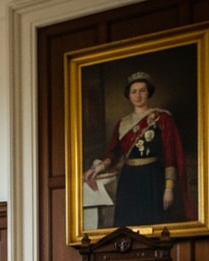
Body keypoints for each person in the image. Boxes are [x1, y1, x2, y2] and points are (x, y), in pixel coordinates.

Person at [83, 71, 194, 227]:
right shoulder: (122, 123)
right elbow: (113, 153)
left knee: (154, 225)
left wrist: (168, 188)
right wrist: (98, 168)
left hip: (153, 177)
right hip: (129, 179)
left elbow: (170, 155)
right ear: (129, 95)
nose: (138, 95)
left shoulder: (162, 118)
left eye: (142, 90)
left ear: (148, 93)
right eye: (134, 92)